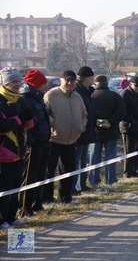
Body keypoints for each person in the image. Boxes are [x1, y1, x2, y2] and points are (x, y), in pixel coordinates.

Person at [43, 70, 87, 204]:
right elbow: (45, 116)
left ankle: (65, 198)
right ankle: (47, 199)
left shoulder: (77, 97)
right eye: (67, 80)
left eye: (72, 81)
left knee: (69, 170)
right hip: (54, 139)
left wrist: (81, 127)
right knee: (49, 171)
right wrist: (54, 126)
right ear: (61, 81)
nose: (70, 83)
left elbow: (84, 114)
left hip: (72, 140)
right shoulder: (51, 96)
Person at [0, 67, 34, 229]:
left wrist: (29, 118)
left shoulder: (19, 99)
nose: (17, 84)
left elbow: (25, 125)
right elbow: (2, 126)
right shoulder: (1, 100)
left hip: (19, 151)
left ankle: (12, 217)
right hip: (4, 152)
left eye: (19, 81)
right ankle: (1, 220)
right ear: (6, 83)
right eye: (14, 81)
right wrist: (20, 118)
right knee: (3, 188)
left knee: (15, 186)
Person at [18, 70, 51, 217]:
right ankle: (25, 208)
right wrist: (32, 143)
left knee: (40, 175)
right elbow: (27, 126)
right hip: (34, 145)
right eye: (43, 83)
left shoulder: (38, 98)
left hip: (43, 142)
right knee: (29, 178)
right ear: (35, 84)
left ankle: (36, 204)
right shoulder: (26, 100)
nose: (46, 86)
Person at [89, 75, 126, 186]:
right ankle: (111, 180)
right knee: (111, 157)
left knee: (94, 157)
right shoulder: (115, 96)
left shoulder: (91, 96)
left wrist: (96, 121)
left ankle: (93, 180)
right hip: (112, 131)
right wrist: (110, 121)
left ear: (96, 83)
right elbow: (121, 111)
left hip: (95, 132)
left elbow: (86, 112)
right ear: (106, 83)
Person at [72, 66, 95, 195]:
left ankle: (82, 184)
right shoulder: (78, 92)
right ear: (86, 78)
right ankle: (74, 186)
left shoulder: (86, 91)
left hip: (87, 131)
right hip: (80, 132)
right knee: (77, 160)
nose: (93, 80)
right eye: (92, 77)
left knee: (83, 160)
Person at [120, 77, 138, 178]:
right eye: (136, 86)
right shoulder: (125, 94)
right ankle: (127, 173)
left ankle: (135, 170)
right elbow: (122, 111)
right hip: (128, 127)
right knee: (129, 151)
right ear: (130, 84)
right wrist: (132, 120)